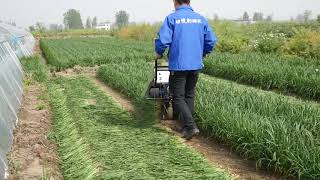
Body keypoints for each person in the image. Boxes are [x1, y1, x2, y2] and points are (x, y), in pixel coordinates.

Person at [155, 0, 217, 140]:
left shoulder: (172, 18)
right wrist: (205, 51)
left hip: (179, 64)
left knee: (177, 96)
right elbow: (211, 40)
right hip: (195, 64)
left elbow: (163, 40)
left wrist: (159, 52)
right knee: (189, 95)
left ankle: (190, 126)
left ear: (175, 2)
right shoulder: (200, 19)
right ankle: (186, 126)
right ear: (189, 2)